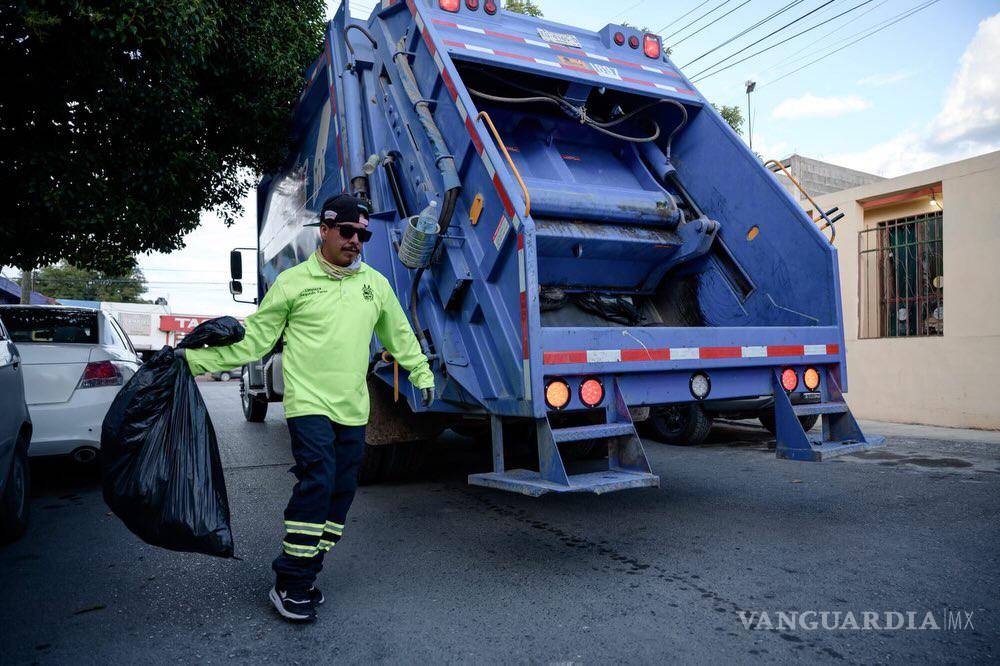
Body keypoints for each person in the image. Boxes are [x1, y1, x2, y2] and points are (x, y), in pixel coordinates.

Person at [177, 194, 435, 623]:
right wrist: (192, 361)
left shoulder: (375, 285)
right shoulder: (293, 282)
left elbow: (399, 336)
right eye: (348, 231)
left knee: (340, 494)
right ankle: (290, 582)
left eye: (363, 234)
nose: (356, 241)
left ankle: (307, 570)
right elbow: (255, 341)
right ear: (326, 229)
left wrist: (422, 374)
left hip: (353, 409)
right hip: (308, 405)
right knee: (317, 483)